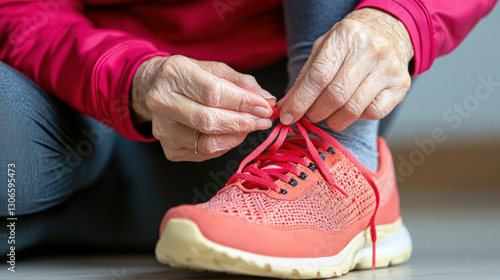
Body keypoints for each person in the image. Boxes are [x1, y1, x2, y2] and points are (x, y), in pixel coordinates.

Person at [0, 0, 496, 278]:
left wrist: (401, 18)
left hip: (284, 124)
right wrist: (132, 79)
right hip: (83, 96)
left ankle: (340, 168)